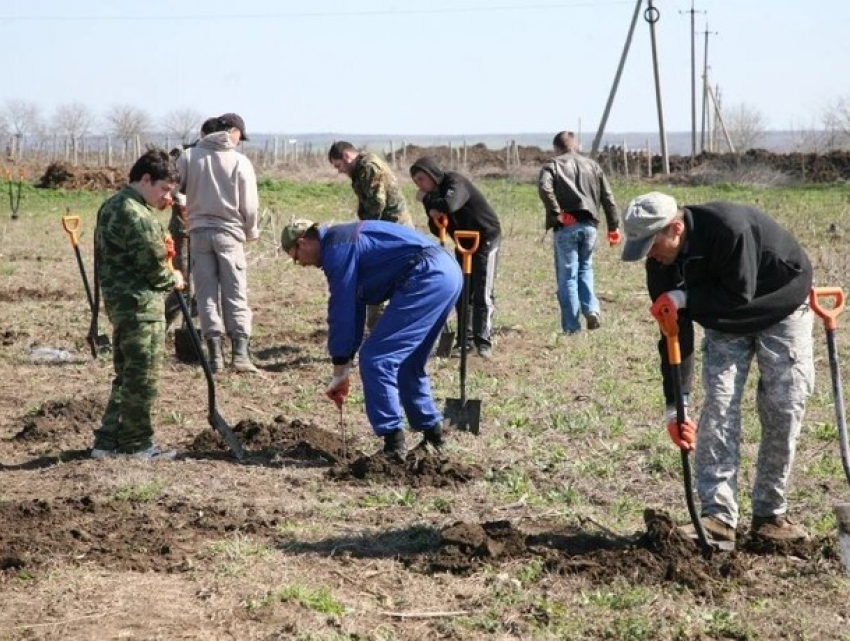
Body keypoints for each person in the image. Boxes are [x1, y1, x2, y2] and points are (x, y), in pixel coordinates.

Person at [621, 192, 815, 545]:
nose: (650, 255)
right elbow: (673, 333)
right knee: (719, 404)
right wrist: (674, 405)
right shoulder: (660, 265)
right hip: (723, 318)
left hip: (781, 303)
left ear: (675, 229)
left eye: (652, 244)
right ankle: (718, 518)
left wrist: (685, 298)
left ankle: (771, 516)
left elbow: (740, 294)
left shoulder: (728, 229)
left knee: (783, 406)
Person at [280, 218, 462, 460]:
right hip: (446, 271)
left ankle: (393, 444)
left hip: (426, 275)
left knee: (376, 357)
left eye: (295, 258)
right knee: (409, 362)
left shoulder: (336, 247)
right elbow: (354, 307)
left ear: (303, 243)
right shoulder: (343, 241)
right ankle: (434, 437)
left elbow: (342, 308)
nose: (300, 264)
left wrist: (340, 365)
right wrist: (343, 367)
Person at [91, 148, 185, 460]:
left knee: (127, 375)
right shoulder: (137, 215)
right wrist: (175, 279)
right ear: (145, 179)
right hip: (140, 305)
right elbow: (156, 271)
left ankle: (107, 442)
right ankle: (137, 444)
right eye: (163, 189)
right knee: (142, 378)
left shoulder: (113, 205)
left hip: (121, 304)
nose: (166, 197)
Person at [177, 112, 260, 373]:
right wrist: (251, 230)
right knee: (235, 292)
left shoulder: (189, 157)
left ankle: (215, 357)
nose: (240, 141)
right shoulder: (240, 162)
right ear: (231, 131)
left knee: (206, 293)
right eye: (240, 136)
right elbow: (249, 204)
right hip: (229, 234)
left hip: (199, 233)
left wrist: (185, 209)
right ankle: (240, 355)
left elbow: (174, 189)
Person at [409, 156, 501, 358]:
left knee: (482, 291)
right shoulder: (432, 196)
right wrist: (433, 214)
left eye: (422, 179)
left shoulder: (455, 182)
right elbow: (436, 225)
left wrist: (426, 200)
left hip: (485, 237)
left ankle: (483, 342)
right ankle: (465, 341)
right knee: (462, 291)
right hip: (463, 241)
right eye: (416, 182)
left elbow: (449, 205)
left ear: (432, 175)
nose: (420, 185)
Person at [537, 131, 621, 335]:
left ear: (556, 148)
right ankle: (591, 309)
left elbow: (544, 187)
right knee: (586, 269)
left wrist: (557, 213)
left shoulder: (553, 164)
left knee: (568, 277)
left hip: (567, 226)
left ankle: (572, 327)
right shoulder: (593, 165)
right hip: (590, 225)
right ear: (576, 145)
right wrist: (613, 227)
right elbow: (608, 198)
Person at [328, 141, 413, 332]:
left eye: (338, 165)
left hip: (394, 231)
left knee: (388, 277)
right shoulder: (360, 169)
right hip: (385, 229)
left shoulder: (368, 167)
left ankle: (384, 327)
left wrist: (365, 232)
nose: (339, 171)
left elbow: (376, 204)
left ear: (347, 156)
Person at [164, 117, 221, 327]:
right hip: (184, 228)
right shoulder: (184, 154)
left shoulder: (223, 157)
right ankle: (161, 327)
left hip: (211, 228)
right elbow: (171, 188)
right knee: (184, 282)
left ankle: (195, 330)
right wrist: (183, 207)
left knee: (209, 283)